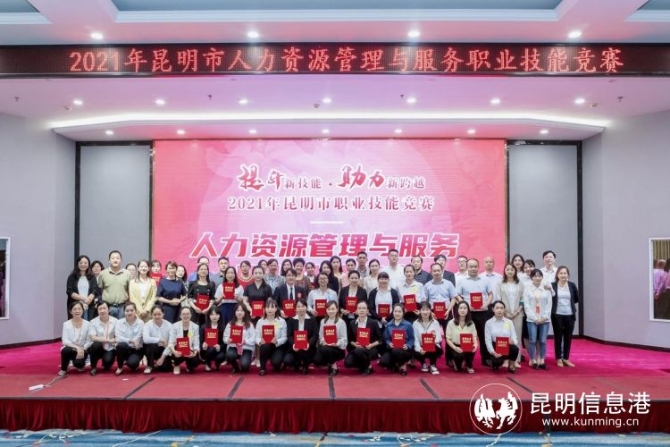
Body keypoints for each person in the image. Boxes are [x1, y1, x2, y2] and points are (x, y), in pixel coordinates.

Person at [457, 258, 493, 367]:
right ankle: (466, 359)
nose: (473, 268)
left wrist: (486, 304)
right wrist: (465, 306)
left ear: (478, 267)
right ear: (467, 267)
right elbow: (457, 295)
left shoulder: (485, 280)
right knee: (467, 336)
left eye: (475, 266)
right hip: (469, 313)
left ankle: (486, 358)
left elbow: (490, 294)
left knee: (483, 335)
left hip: (483, 312)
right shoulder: (462, 280)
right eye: (471, 266)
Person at [551, 266, 580, 368]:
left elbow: (576, 298)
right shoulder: (553, 285)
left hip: (570, 315)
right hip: (557, 315)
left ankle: (566, 358)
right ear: (557, 275)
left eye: (565, 273)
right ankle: (559, 358)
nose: (563, 275)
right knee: (558, 337)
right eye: (561, 273)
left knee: (568, 337)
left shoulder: (572, 285)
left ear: (568, 275)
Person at [497, 263, 525, 368]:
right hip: (504, 315)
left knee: (517, 336)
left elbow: (523, 299)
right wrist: (505, 313)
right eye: (508, 269)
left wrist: (517, 312)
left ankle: (516, 360)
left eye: (512, 269)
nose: (510, 271)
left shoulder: (520, 283)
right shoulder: (500, 283)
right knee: (504, 336)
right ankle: (505, 360)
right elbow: (498, 299)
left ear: (515, 271)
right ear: (504, 271)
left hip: (518, 314)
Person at [523, 269, 552, 370]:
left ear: (542, 277)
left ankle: (542, 360)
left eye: (539, 276)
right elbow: (526, 306)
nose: (537, 278)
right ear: (531, 278)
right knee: (532, 340)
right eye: (535, 276)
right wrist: (535, 318)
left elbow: (549, 305)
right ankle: (533, 359)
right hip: (532, 320)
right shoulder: (527, 289)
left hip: (545, 319)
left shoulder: (546, 289)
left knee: (543, 340)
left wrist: (544, 317)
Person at [344, 301, 381, 375]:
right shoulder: (352, 323)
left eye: (364, 308)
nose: (361, 310)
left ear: (367, 311)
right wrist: (355, 344)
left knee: (359, 351)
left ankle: (369, 367)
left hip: (370, 349)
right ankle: (363, 365)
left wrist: (371, 345)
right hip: (357, 348)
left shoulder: (373, 322)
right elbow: (349, 339)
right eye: (359, 308)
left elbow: (380, 339)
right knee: (348, 363)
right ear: (356, 310)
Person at [284, 299, 318, 374]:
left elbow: (315, 335)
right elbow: (289, 335)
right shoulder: (291, 320)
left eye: (303, 306)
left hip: (308, 348)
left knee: (313, 357)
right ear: (295, 308)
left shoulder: (312, 320)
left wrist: (308, 344)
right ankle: (297, 363)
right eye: (298, 307)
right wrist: (294, 344)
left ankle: (305, 365)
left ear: (306, 307)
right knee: (287, 360)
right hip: (295, 348)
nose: (301, 308)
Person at [314, 300, 348, 376]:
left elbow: (344, 339)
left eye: (333, 309)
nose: (331, 311)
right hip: (326, 346)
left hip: (337, 349)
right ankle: (329, 362)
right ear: (326, 310)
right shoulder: (323, 321)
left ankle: (334, 367)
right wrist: (324, 341)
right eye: (329, 309)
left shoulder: (341, 322)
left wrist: (336, 343)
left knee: (325, 349)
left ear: (337, 309)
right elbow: (321, 336)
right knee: (316, 360)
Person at [485, 300, 520, 373]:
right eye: (497, 308)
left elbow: (514, 337)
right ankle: (496, 362)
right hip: (495, 347)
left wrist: (513, 342)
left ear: (504, 310)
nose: (499, 310)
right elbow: (488, 341)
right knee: (497, 362)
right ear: (493, 309)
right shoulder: (488, 323)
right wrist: (493, 352)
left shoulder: (509, 322)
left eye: (501, 308)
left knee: (515, 348)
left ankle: (511, 364)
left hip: (506, 345)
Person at [380, 304, 415, 376]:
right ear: (393, 312)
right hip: (392, 349)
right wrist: (389, 343)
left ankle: (403, 365)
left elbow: (412, 338)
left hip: (404, 350)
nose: (397, 313)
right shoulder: (389, 325)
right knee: (383, 362)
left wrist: (407, 345)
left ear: (403, 313)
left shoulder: (408, 325)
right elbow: (386, 338)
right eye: (395, 311)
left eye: (399, 312)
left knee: (396, 351)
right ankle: (397, 365)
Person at [255, 299, 287, 376]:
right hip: (265, 346)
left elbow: (284, 337)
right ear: (264, 309)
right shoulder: (260, 322)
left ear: (276, 309)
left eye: (272, 307)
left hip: (277, 346)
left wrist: (277, 341)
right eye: (267, 307)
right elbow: (256, 337)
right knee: (264, 346)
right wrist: (260, 341)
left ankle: (277, 364)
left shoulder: (282, 321)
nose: (270, 309)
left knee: (276, 362)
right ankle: (262, 368)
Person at [446, 301, 478, 373]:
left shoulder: (471, 323)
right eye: (460, 308)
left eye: (465, 308)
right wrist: (455, 347)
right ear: (457, 310)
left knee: (472, 348)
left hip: (468, 345)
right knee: (458, 369)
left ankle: (469, 365)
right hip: (455, 346)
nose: (462, 310)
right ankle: (456, 361)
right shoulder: (451, 323)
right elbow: (448, 339)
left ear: (468, 310)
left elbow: (474, 336)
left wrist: (475, 345)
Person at [59, 302, 90, 376]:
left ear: (83, 310)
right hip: (71, 348)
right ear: (70, 311)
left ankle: (78, 363)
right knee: (65, 350)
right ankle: (64, 369)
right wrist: (77, 348)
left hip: (83, 349)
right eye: (75, 309)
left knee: (79, 364)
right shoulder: (66, 324)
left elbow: (89, 340)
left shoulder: (88, 324)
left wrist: (82, 349)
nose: (77, 311)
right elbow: (65, 340)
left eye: (79, 309)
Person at [86, 301, 117, 375]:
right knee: (96, 344)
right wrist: (109, 340)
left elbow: (118, 336)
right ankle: (93, 367)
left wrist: (114, 342)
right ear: (97, 311)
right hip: (97, 347)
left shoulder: (115, 321)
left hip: (110, 347)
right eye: (100, 309)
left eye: (104, 308)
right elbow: (93, 337)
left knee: (107, 363)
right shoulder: (93, 322)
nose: (102, 311)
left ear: (108, 309)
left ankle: (106, 362)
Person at [98, 250, 131, 319]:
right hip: (108, 307)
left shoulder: (127, 274)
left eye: (117, 258)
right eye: (113, 258)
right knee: (109, 325)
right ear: (109, 260)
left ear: (121, 260)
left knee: (122, 325)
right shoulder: (103, 274)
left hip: (123, 307)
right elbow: (100, 289)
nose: (115, 260)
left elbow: (129, 290)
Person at [224, 303, 256, 373]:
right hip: (233, 346)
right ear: (235, 312)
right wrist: (228, 340)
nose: (239, 313)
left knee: (245, 366)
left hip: (246, 347)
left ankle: (245, 362)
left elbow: (254, 339)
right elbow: (225, 337)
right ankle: (235, 367)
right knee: (229, 355)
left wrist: (245, 341)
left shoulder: (249, 324)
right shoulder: (230, 324)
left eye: (242, 311)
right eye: (237, 311)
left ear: (245, 312)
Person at [412, 301, 443, 375]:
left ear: (430, 310)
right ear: (419, 311)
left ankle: (433, 364)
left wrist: (432, 341)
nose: (425, 312)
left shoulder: (435, 322)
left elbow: (439, 338)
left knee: (434, 348)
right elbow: (415, 339)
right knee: (415, 350)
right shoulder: (415, 323)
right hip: (421, 346)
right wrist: (420, 349)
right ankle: (423, 363)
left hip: (432, 345)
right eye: (423, 310)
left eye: (427, 310)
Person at [115, 302, 145, 375]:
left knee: (132, 364)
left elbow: (139, 337)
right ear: (124, 312)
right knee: (121, 345)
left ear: (135, 311)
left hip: (136, 349)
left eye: (132, 310)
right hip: (125, 348)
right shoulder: (119, 322)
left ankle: (132, 363)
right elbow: (118, 338)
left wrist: (134, 341)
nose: (129, 313)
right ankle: (120, 367)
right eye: (127, 311)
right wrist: (131, 340)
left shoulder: (141, 323)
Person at [168, 307, 201, 374]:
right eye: (183, 314)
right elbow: (171, 343)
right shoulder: (174, 326)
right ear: (180, 316)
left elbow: (196, 343)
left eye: (188, 314)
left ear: (191, 315)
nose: (186, 316)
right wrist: (174, 352)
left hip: (189, 350)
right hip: (178, 350)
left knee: (195, 361)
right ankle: (176, 365)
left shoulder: (195, 327)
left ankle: (189, 365)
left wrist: (194, 353)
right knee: (173, 351)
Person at [66, 255, 98, 320]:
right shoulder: (72, 277)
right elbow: (69, 291)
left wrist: (88, 299)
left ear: (88, 264)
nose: (83, 264)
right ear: (77, 264)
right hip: (75, 305)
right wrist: (83, 299)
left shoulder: (92, 277)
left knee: (89, 323)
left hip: (89, 305)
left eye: (85, 263)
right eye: (81, 263)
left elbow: (94, 290)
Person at [141, 305, 172, 374]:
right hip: (152, 349)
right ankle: (149, 365)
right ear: (151, 315)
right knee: (152, 345)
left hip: (164, 349)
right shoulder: (147, 325)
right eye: (155, 315)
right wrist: (160, 339)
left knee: (165, 368)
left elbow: (170, 344)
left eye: (159, 314)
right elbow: (145, 339)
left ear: (163, 314)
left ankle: (157, 363)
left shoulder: (169, 325)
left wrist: (162, 358)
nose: (157, 316)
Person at [200, 306, 226, 371]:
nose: (214, 317)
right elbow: (200, 341)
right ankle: (207, 363)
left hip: (218, 351)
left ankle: (217, 364)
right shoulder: (203, 327)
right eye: (212, 315)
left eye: (216, 314)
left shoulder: (223, 327)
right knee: (210, 350)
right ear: (209, 316)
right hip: (207, 351)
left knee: (221, 356)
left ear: (220, 315)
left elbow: (224, 343)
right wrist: (203, 345)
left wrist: (219, 346)